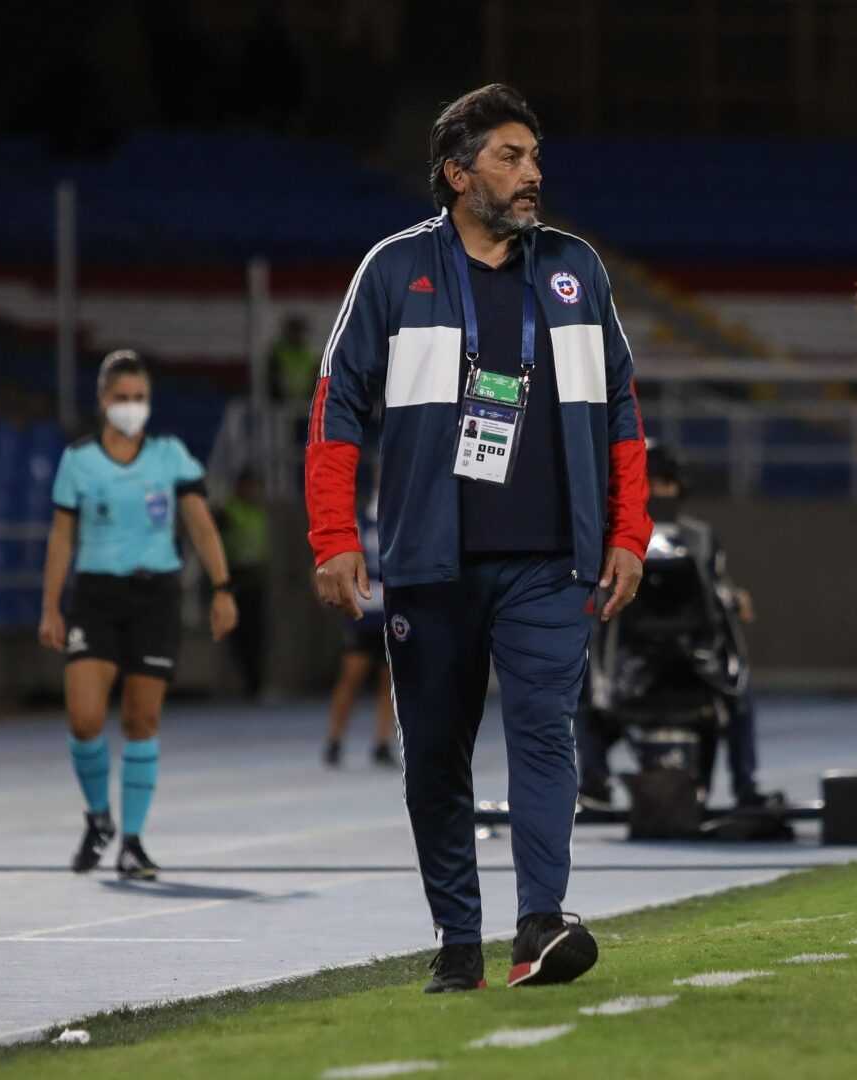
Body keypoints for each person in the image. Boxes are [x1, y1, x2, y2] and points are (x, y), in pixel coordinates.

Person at [306, 84, 651, 994]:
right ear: (459, 174)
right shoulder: (394, 270)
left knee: (547, 741)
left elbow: (621, 406)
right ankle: (458, 937)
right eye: (510, 156)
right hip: (430, 561)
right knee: (435, 757)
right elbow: (336, 405)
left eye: (535, 156)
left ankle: (540, 922)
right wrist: (333, 533)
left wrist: (631, 529)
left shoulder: (577, 269)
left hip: (552, 561)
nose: (532, 173)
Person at [39, 350, 238, 880]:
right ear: (103, 401)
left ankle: (132, 840)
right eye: (123, 399)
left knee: (140, 720)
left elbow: (200, 524)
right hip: (97, 599)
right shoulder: (79, 461)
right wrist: (50, 606)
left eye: (140, 399)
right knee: (84, 719)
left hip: (154, 599)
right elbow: (62, 536)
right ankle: (98, 816)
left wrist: (222, 588)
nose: (132, 407)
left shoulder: (170, 455)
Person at [578, 441, 777, 809]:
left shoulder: (699, 537)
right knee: (584, 687)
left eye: (662, 483)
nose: (655, 492)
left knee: (739, 689)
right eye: (647, 483)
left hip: (692, 665)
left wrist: (733, 599)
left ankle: (745, 784)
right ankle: (594, 781)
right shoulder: (612, 538)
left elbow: (716, 590)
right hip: (634, 666)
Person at [325, 487, 396, 768]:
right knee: (351, 676)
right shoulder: (357, 522)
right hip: (364, 611)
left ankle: (381, 741)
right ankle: (335, 739)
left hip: (391, 611)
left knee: (389, 680)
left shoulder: (400, 518)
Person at [214, 468, 270, 700]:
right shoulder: (227, 510)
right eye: (249, 486)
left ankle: (256, 684)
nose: (253, 490)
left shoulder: (258, 510)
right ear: (239, 486)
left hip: (256, 579)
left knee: (258, 634)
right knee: (240, 635)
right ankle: (247, 684)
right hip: (235, 579)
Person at [269, 315, 319, 406]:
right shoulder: (279, 351)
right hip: (281, 404)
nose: (297, 334)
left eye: (300, 331)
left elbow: (314, 377)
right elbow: (272, 379)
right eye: (294, 330)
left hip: (305, 404)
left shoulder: (309, 354)